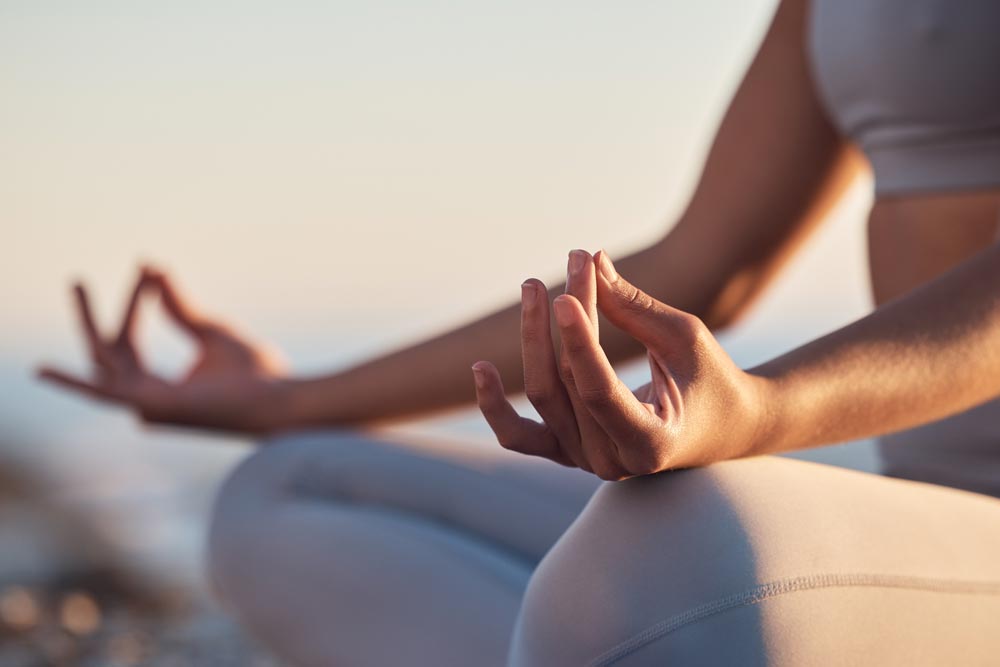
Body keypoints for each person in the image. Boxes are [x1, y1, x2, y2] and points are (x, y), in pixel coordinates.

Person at [39, 0, 1000, 664]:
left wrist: (757, 410)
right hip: (931, 522)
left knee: (669, 550)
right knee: (287, 487)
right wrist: (285, 402)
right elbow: (702, 263)